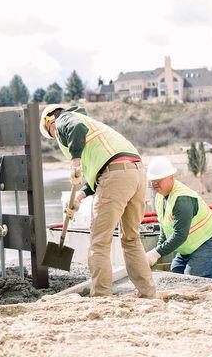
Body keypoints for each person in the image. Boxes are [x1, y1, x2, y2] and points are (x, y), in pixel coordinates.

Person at [40, 105, 156, 298]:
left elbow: (76, 128)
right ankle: (148, 294)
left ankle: (101, 297)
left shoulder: (64, 119)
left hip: (116, 175)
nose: (55, 137)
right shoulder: (94, 130)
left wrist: (74, 162)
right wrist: (79, 196)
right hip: (136, 173)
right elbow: (98, 176)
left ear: (50, 122)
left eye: (52, 134)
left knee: (99, 242)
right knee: (131, 238)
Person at [145, 156, 212, 279]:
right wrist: (157, 251)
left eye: (158, 181)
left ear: (171, 177)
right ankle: (211, 265)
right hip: (191, 247)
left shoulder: (181, 199)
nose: (155, 184)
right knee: (177, 273)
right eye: (153, 181)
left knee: (193, 278)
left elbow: (180, 235)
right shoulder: (160, 197)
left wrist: (156, 253)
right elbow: (164, 229)